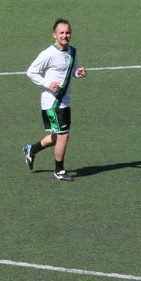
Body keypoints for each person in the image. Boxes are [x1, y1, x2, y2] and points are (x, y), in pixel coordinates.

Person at [23, 19, 87, 182]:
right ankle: (59, 170)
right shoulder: (48, 54)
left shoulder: (72, 52)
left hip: (65, 101)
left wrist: (77, 73)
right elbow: (31, 72)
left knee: (58, 136)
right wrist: (47, 83)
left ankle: (31, 149)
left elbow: (70, 71)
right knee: (63, 136)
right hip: (52, 102)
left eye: (67, 32)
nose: (65, 35)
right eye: (61, 33)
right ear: (54, 35)